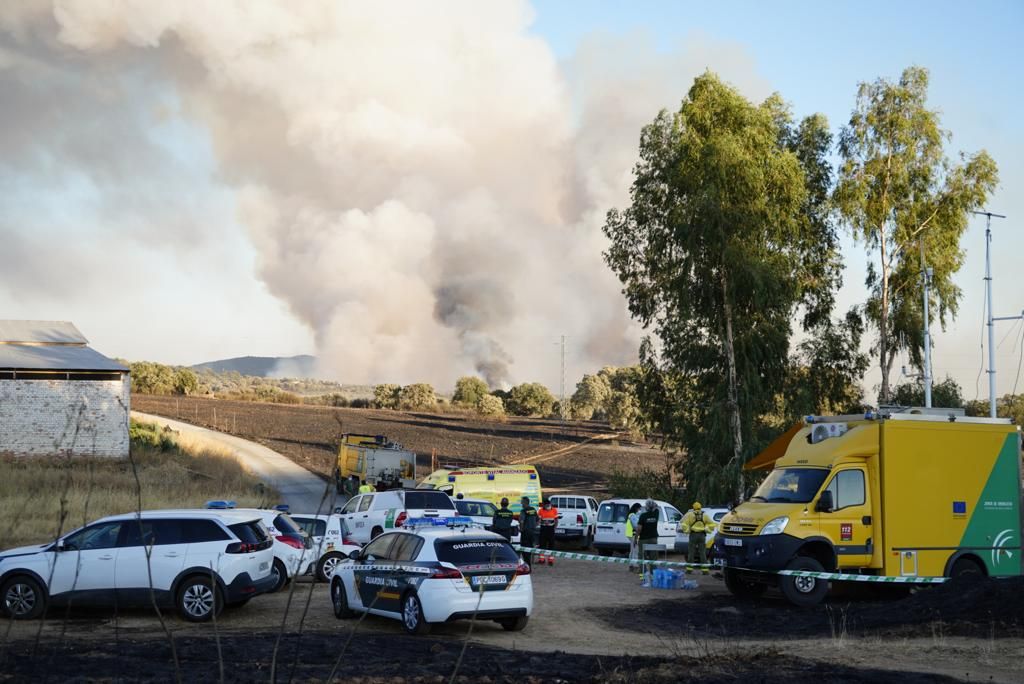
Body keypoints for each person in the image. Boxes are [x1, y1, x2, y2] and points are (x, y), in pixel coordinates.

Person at [680, 502, 716, 575]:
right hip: (702, 535)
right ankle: (705, 571)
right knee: (703, 553)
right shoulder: (704, 515)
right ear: (700, 507)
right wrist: (707, 529)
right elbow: (712, 524)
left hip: (693, 535)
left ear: (693, 508)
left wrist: (687, 531)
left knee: (691, 553)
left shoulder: (690, 515)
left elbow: (683, 524)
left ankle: (689, 570)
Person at [636, 499, 660, 577]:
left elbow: (639, 529)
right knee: (653, 558)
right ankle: (653, 574)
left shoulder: (643, 516)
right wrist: (652, 503)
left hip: (643, 539)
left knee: (642, 557)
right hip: (653, 539)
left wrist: (636, 538)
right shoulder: (656, 514)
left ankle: (642, 575)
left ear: (646, 507)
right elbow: (656, 506)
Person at [518, 496, 539, 567]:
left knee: (524, 549)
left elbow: (521, 521)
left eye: (522, 502)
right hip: (532, 532)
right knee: (530, 549)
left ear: (525, 503)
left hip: (526, 532)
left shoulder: (523, 511)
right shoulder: (533, 509)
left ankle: (527, 566)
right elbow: (538, 520)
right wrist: (533, 527)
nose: (521, 503)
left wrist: (521, 529)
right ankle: (528, 565)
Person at [537, 498, 559, 564]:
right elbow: (539, 520)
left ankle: (550, 560)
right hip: (543, 529)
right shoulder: (541, 510)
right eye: (545, 505)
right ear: (544, 505)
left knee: (551, 544)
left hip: (551, 529)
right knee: (542, 544)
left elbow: (556, 520)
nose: (547, 506)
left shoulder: (554, 510)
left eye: (548, 505)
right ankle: (542, 559)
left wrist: (554, 528)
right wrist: (539, 523)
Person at [625, 503, 642, 572]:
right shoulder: (632, 515)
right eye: (639, 509)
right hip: (633, 534)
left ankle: (631, 565)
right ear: (636, 508)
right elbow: (635, 526)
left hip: (630, 534)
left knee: (632, 550)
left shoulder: (631, 515)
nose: (640, 510)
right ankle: (635, 566)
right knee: (636, 550)